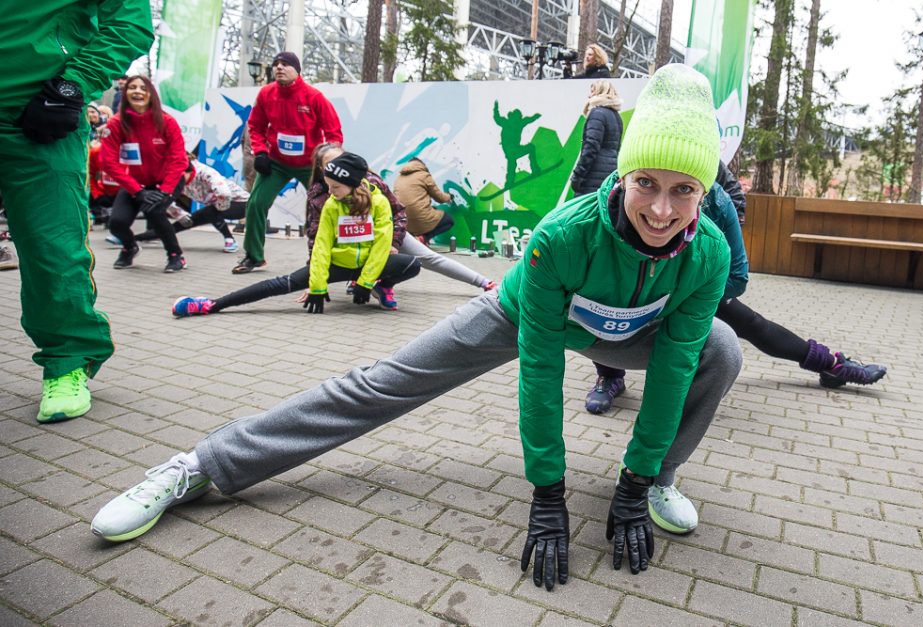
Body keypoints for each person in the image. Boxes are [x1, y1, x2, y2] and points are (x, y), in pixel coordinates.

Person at [92, 65, 743, 592]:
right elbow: (540, 371)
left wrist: (632, 480)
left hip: (630, 330)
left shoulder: (708, 251)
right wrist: (549, 492)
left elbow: (676, 365)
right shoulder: (563, 236)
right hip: (527, 313)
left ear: (704, 192)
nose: (661, 208)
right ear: (623, 174)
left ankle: (658, 481)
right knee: (381, 382)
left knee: (720, 348)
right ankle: (201, 463)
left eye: (684, 190)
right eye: (646, 183)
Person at [583, 164, 888, 416]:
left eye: (684, 189)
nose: (662, 210)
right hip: (630, 282)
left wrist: (691, 294)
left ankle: (830, 364)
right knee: (607, 303)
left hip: (686, 289)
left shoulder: (718, 201)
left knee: (749, 323)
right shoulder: (625, 190)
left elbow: (738, 277)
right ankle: (610, 375)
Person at [0, 1, 152, 423]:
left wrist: (73, 84)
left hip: (34, 119)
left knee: (52, 250)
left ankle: (68, 361)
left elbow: (130, 20)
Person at [171, 144, 493, 318]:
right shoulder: (327, 202)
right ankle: (213, 304)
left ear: (353, 180)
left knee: (413, 262)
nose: (330, 190)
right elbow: (320, 243)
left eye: (335, 185)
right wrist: (317, 283)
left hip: (371, 263)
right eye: (326, 183)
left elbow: (384, 242)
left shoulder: (378, 198)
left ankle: (385, 285)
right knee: (277, 285)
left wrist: (367, 280)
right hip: (338, 263)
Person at [234, 51, 344, 274]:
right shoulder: (266, 94)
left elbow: (333, 132)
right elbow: (255, 126)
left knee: (322, 209)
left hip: (310, 165)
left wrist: (327, 160)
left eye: (285, 64)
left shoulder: (314, 97)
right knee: (255, 204)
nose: (279, 68)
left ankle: (322, 257)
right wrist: (261, 152)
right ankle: (254, 256)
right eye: (276, 64)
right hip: (276, 163)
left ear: (297, 70)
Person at [100, 75, 189, 272]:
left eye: (143, 88)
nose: (138, 92)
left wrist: (165, 191)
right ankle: (129, 247)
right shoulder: (116, 124)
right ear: (125, 93)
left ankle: (175, 255)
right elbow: (108, 162)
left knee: (154, 210)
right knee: (116, 222)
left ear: (151, 94)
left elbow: (179, 160)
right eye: (132, 87)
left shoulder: (167, 122)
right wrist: (137, 191)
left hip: (167, 181)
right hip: (136, 184)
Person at [130, 154, 247, 253]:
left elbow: (224, 193)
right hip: (215, 206)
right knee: (182, 223)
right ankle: (133, 238)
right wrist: (179, 214)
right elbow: (165, 198)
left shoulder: (205, 172)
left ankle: (229, 239)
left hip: (241, 204)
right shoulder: (174, 178)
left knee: (210, 212)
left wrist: (219, 209)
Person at [570, 80, 623, 196]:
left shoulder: (597, 113)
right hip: (608, 178)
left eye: (592, 91)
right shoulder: (616, 116)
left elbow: (591, 147)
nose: (589, 96)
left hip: (591, 179)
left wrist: (577, 176)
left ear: (601, 92)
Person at [394, 157, 455, 243]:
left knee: (433, 209)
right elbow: (440, 198)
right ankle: (424, 238)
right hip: (419, 219)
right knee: (449, 220)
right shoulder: (424, 175)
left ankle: (414, 239)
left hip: (403, 220)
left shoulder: (399, 178)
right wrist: (450, 196)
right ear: (421, 165)